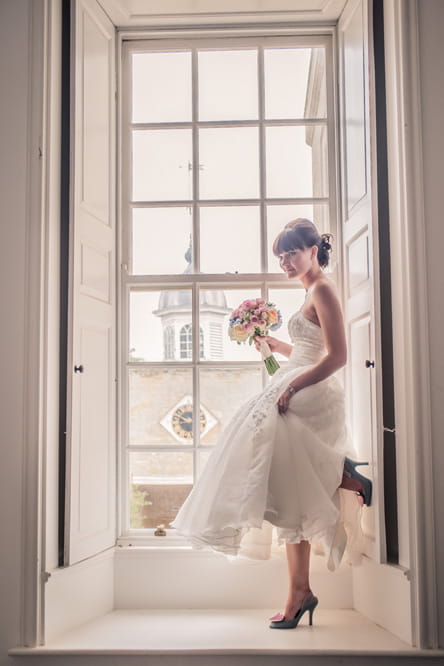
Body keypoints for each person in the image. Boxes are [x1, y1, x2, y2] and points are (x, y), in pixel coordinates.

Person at [171, 218, 372, 630]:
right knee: (287, 494)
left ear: (314, 250)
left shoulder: (324, 289)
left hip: (311, 391)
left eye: (291, 253)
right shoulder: (309, 291)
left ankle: (342, 472)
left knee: (274, 473)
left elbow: (336, 358)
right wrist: (270, 345)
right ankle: (301, 591)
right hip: (295, 379)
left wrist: (293, 385)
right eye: (280, 256)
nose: (284, 261)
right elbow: (306, 348)